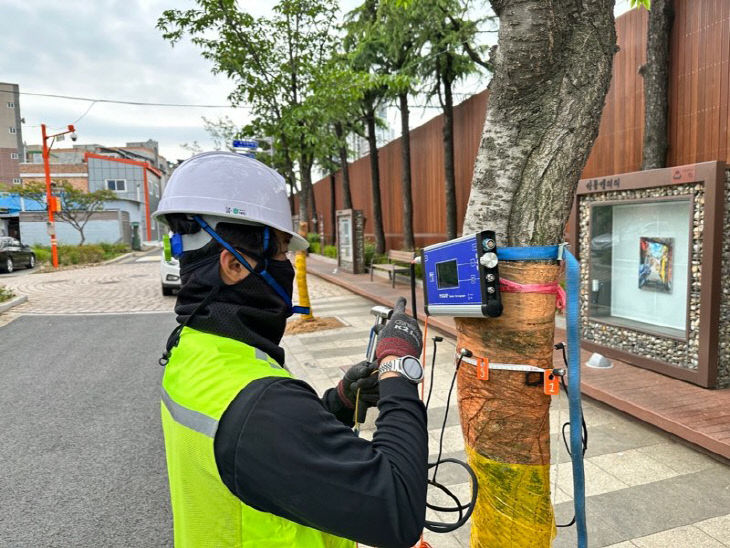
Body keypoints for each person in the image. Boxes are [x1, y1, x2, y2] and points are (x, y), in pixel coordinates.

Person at [154, 151, 428, 548]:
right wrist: (398, 368)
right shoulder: (261, 404)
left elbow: (258, 447)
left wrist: (337, 402)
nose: (288, 263)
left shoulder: (192, 348)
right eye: (281, 251)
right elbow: (398, 510)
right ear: (234, 265)